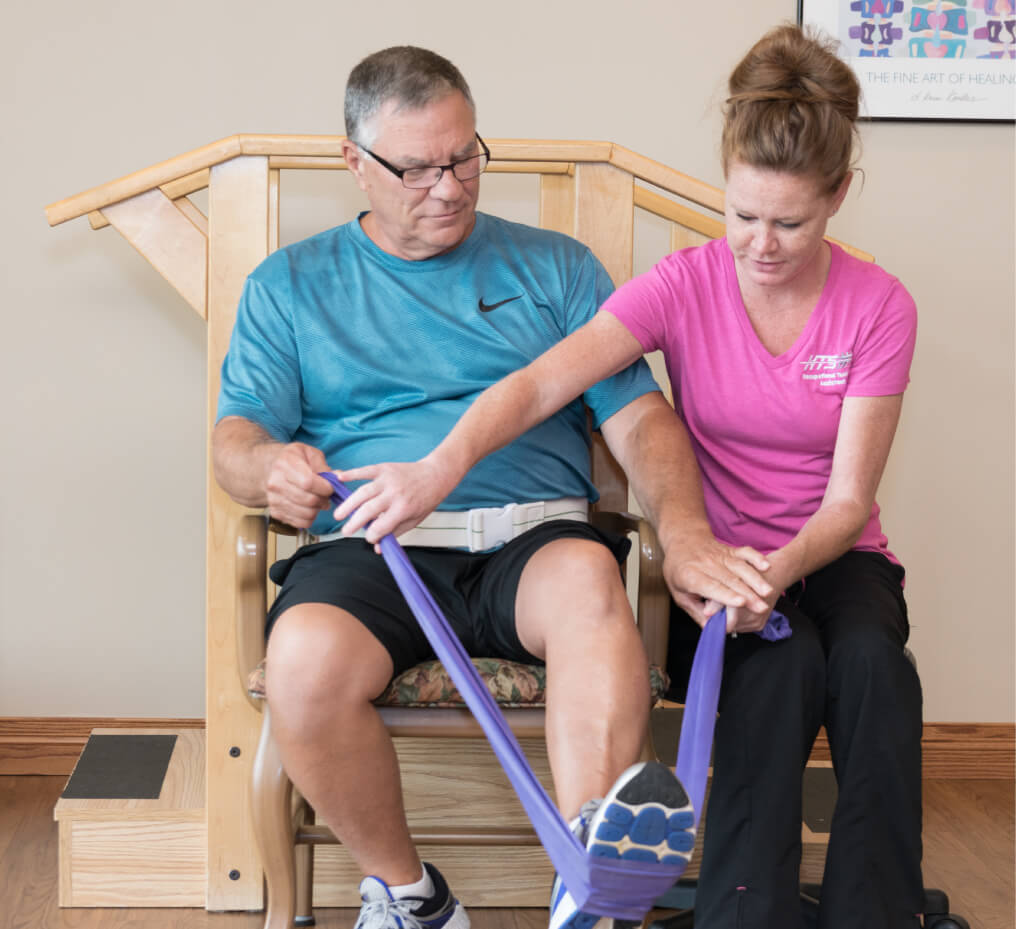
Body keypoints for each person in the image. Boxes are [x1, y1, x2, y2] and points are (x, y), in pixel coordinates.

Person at [335, 26, 924, 929]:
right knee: (780, 663)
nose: (759, 244)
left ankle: (878, 914)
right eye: (741, 214)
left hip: (832, 553)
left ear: (840, 195)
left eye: (790, 222)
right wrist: (439, 466)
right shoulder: (683, 285)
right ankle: (746, 915)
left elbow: (847, 502)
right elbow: (540, 381)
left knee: (874, 666)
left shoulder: (878, 305)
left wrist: (774, 573)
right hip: (712, 559)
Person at [213, 45, 712, 929]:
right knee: (301, 663)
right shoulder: (289, 285)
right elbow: (236, 437)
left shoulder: (557, 268)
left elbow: (640, 420)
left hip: (535, 535)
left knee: (596, 591)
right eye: (417, 168)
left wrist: (687, 532)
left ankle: (587, 887)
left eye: (466, 156)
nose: (449, 186)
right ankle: (409, 894)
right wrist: (268, 466)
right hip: (376, 545)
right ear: (354, 163)